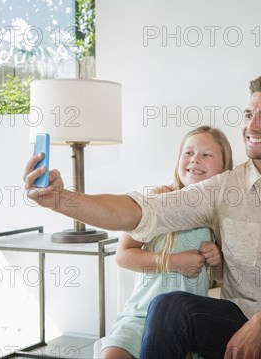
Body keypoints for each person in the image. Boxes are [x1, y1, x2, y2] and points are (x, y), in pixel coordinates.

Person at [24, 75, 261, 359]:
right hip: (236, 316)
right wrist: (62, 200)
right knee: (168, 307)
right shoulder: (223, 187)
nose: (251, 126)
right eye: (248, 114)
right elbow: (145, 211)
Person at [99, 126, 232, 359]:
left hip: (184, 324)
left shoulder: (221, 216)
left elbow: (223, 279)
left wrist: (217, 261)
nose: (195, 160)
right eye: (188, 152)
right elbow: (123, 255)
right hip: (139, 316)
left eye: (207, 154)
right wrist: (172, 262)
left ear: (224, 168)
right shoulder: (158, 202)